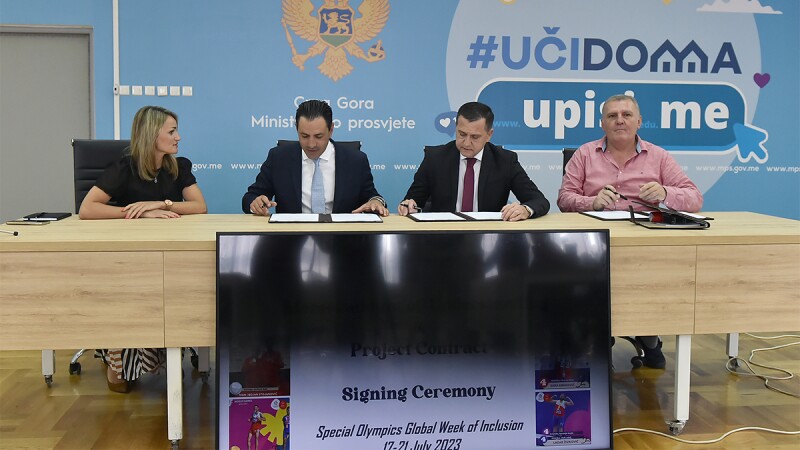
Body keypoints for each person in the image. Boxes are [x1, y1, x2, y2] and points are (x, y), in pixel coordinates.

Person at [558, 93, 703, 369]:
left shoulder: (658, 157)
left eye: (626, 115)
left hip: (645, 245)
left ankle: (649, 338)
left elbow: (694, 198)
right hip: (593, 244)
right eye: (612, 116)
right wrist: (592, 201)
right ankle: (600, 338)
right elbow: (564, 198)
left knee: (648, 280)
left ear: (639, 122)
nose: (619, 121)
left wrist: (664, 193)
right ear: (602, 124)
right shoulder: (585, 154)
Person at [79, 105, 207, 392]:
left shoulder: (178, 166)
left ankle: (164, 357)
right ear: (152, 134)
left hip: (169, 257)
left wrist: (161, 204)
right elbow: (87, 209)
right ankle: (119, 364)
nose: (179, 138)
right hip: (128, 261)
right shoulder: (123, 168)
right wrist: (136, 213)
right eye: (172, 132)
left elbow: (200, 206)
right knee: (129, 295)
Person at [398, 101, 549, 221]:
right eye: (462, 134)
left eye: (475, 137)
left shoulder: (505, 160)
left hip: (489, 239)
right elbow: (413, 200)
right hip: (443, 240)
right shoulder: (435, 158)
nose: (466, 143)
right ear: (456, 128)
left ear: (489, 135)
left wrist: (524, 210)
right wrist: (409, 205)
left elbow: (538, 200)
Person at [242, 99, 388, 216]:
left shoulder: (355, 160)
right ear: (296, 129)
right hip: (290, 240)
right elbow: (251, 196)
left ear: (331, 130)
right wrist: (255, 203)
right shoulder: (279, 158)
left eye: (319, 136)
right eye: (304, 136)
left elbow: (373, 197)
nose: (311, 144)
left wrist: (376, 202)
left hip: (343, 241)